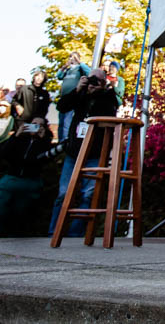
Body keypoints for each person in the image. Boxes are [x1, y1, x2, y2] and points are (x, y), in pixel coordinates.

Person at [49, 68, 120, 237]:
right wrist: (79, 89)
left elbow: (112, 109)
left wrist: (102, 91)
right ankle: (54, 231)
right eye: (91, 79)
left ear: (104, 83)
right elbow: (62, 106)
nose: (93, 83)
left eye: (98, 81)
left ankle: (76, 233)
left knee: (88, 195)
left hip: (95, 153)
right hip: (75, 151)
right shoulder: (80, 95)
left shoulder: (107, 97)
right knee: (64, 193)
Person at [0, 117, 55, 238]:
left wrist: (42, 140)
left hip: (30, 181)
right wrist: (16, 135)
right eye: (34, 124)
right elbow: (3, 154)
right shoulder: (19, 139)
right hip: (11, 178)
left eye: (40, 125)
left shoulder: (45, 143)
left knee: (19, 217)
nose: (36, 127)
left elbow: (45, 160)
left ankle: (13, 241)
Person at [56, 52, 92, 141]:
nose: (72, 59)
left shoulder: (80, 69)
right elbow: (59, 76)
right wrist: (64, 66)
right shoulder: (68, 70)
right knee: (61, 122)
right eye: (70, 57)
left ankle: (65, 141)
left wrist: (79, 62)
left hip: (73, 98)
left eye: (74, 57)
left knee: (66, 123)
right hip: (64, 98)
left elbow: (89, 72)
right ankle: (60, 140)